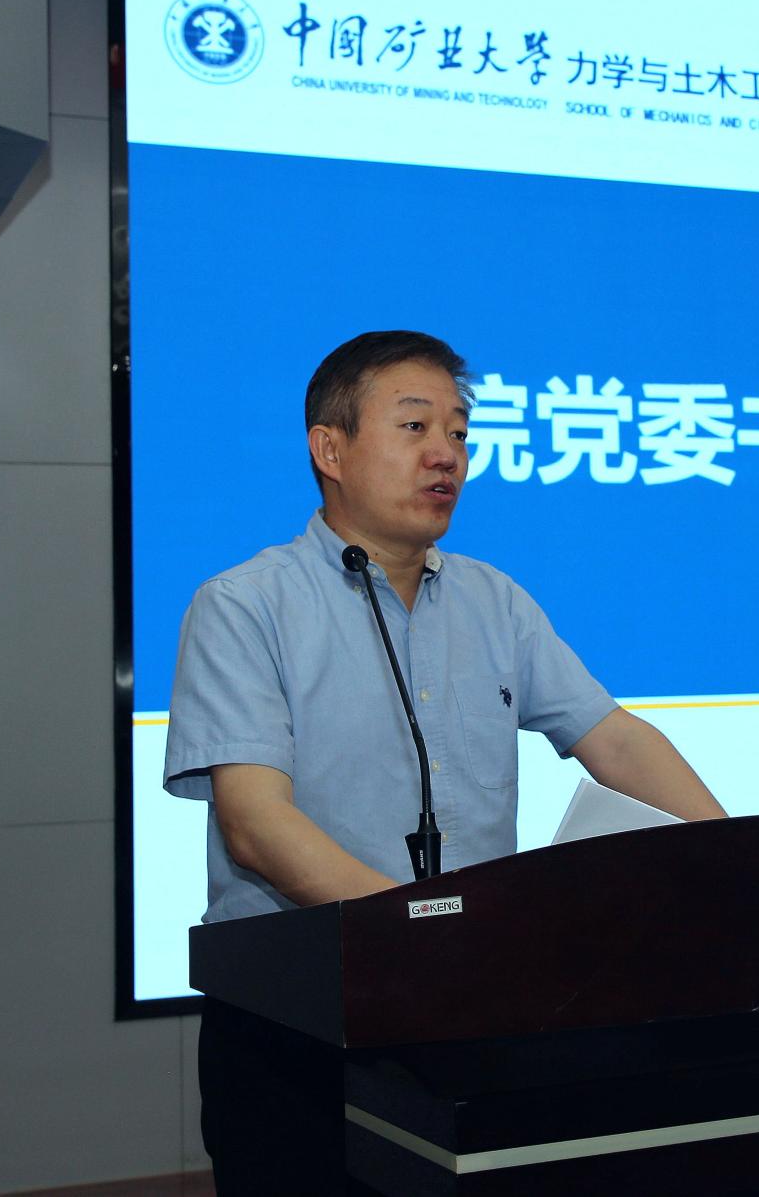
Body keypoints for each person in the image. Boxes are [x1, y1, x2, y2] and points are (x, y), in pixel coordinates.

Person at [164, 330, 724, 1195]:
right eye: (415, 426)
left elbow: (613, 738)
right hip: (298, 1025)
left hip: (471, 1011)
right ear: (330, 449)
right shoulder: (245, 605)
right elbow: (254, 823)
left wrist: (734, 858)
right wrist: (417, 938)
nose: (446, 455)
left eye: (460, 432)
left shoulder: (495, 600)